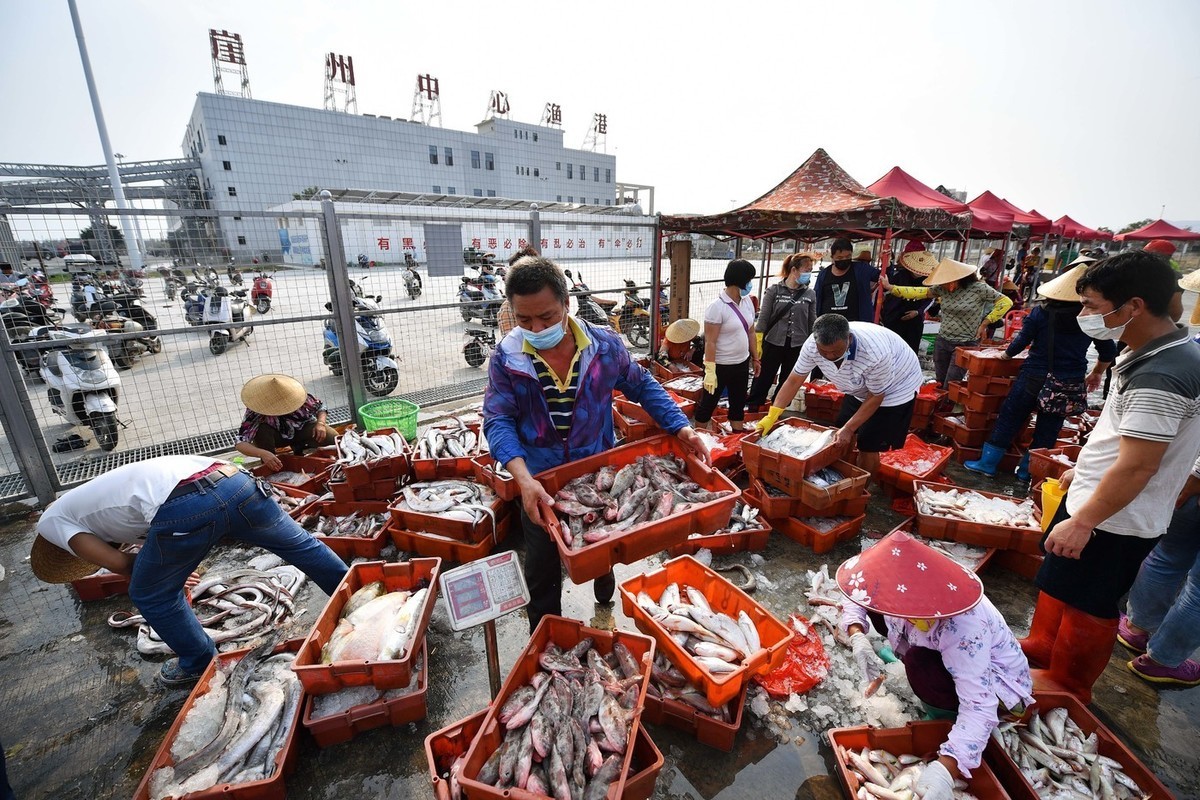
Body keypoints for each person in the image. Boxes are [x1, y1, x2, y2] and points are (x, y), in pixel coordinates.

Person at [481, 256, 709, 632]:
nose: (536, 328)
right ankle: (547, 631)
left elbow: (642, 384)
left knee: (603, 545)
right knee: (541, 566)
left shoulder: (604, 345)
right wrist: (522, 479)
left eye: (548, 317)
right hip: (541, 479)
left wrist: (681, 427)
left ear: (567, 303)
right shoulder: (506, 358)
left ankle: (604, 588)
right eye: (525, 320)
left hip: (596, 468)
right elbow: (498, 419)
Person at [1021, 251, 1200, 704]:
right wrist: (1081, 472)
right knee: (1059, 583)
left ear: (1133, 306)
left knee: (1089, 604)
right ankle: (1042, 651)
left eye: (1093, 306)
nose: (1085, 316)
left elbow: (1140, 464)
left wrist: (1084, 521)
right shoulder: (1147, 352)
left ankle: (1069, 685)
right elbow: (1122, 438)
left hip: (1115, 517)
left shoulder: (1164, 373)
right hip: (1093, 498)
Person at [30, 455, 348, 685]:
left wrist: (162, 581)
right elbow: (148, 537)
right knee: (302, 547)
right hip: (233, 479)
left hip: (185, 502)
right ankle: (354, 596)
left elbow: (121, 564)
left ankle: (198, 661)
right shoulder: (92, 498)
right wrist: (173, 572)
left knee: (148, 594)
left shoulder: (52, 523)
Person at [839, 529, 1033, 799]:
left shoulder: (962, 626)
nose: (890, 608)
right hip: (931, 644)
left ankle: (942, 720)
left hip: (997, 689)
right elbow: (858, 590)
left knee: (920, 663)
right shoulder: (901, 585)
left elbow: (980, 705)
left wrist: (947, 768)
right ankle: (904, 654)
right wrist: (858, 634)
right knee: (878, 609)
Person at [964, 263, 1116, 479]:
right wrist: (1097, 372)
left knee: (1010, 417)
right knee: (1049, 427)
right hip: (1068, 379)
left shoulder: (1040, 312)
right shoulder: (1090, 318)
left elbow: (1021, 341)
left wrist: (1005, 356)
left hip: (1033, 374)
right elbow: (1108, 351)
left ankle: (987, 464)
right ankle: (1028, 471)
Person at [757, 314, 924, 479]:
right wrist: (773, 414)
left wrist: (849, 429)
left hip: (896, 388)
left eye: (836, 351)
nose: (829, 356)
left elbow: (876, 396)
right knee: (841, 429)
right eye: (824, 352)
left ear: (849, 339)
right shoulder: (812, 345)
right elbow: (794, 380)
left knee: (868, 444)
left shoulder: (875, 354)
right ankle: (842, 474)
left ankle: (860, 491)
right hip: (858, 387)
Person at [1119, 454, 1200, 686]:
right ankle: (1162, 660)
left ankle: (1136, 628)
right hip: (1194, 478)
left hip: (1188, 481)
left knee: (1166, 557)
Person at [880, 258, 1012, 387]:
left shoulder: (979, 289)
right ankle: (941, 406)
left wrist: (986, 322)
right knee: (940, 381)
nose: (944, 284)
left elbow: (1005, 302)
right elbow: (919, 292)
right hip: (943, 340)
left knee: (951, 383)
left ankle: (947, 405)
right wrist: (891, 287)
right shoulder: (941, 289)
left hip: (966, 342)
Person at [694, 259, 761, 432]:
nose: (750, 284)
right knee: (707, 405)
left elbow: (751, 332)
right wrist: (710, 370)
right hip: (720, 366)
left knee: (738, 404)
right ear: (740, 280)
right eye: (749, 280)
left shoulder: (747, 302)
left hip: (741, 363)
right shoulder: (716, 308)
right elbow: (710, 341)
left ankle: (737, 438)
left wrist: (756, 358)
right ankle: (698, 437)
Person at [746, 253, 816, 410]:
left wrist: (814, 344)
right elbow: (762, 321)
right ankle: (753, 408)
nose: (809, 274)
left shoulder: (810, 294)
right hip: (773, 342)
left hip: (798, 344)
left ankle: (776, 410)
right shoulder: (774, 291)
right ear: (794, 270)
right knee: (763, 377)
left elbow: (812, 321)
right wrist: (757, 348)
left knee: (788, 380)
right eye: (806, 270)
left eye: (811, 270)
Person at [234, 375, 335, 472]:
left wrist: (320, 423)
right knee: (261, 432)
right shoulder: (256, 410)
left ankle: (299, 446)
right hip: (278, 436)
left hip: (302, 428)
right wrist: (262, 454)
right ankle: (270, 463)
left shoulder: (298, 395)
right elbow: (240, 442)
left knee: (334, 440)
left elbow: (320, 407)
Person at [881, 242, 936, 354]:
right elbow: (886, 286)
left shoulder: (929, 280)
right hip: (894, 318)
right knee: (892, 350)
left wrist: (918, 312)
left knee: (910, 351)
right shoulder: (900, 275)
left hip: (914, 322)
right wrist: (886, 264)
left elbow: (931, 299)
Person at [813, 237, 879, 322]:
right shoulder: (823, 274)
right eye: (840, 258)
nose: (844, 260)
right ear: (832, 257)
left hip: (856, 324)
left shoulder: (862, 270)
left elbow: (883, 278)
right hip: (828, 324)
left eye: (848, 257)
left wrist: (887, 262)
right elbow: (817, 297)